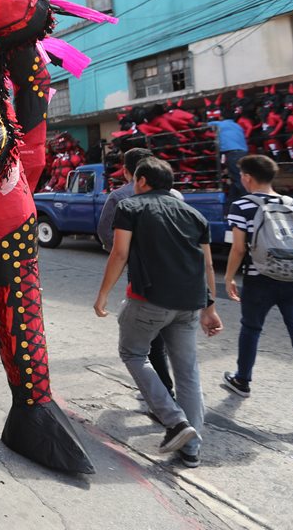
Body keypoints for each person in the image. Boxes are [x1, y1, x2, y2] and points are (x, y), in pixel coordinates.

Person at [94, 157, 224, 468]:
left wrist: (103, 295)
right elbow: (207, 264)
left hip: (148, 300)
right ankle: (191, 449)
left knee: (133, 354)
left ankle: (175, 422)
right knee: (188, 373)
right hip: (189, 304)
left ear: (141, 181)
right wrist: (210, 308)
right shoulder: (194, 215)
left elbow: (120, 253)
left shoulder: (130, 207)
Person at [222, 155, 293, 435]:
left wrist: (229, 277)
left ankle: (242, 380)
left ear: (247, 177)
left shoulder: (242, 205)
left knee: (251, 328)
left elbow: (238, 248)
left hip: (260, 279)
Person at [98, 148, 176, 401]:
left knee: (145, 340)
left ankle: (163, 395)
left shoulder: (121, 197)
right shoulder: (176, 196)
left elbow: (107, 236)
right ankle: (179, 404)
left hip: (142, 274)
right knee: (174, 340)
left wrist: (127, 253)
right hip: (178, 273)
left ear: (127, 171)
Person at [208, 116, 249, 204]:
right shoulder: (237, 126)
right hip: (243, 152)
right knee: (236, 178)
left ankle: (248, 200)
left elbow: (203, 125)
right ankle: (231, 202)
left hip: (232, 153)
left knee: (238, 179)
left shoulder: (219, 124)